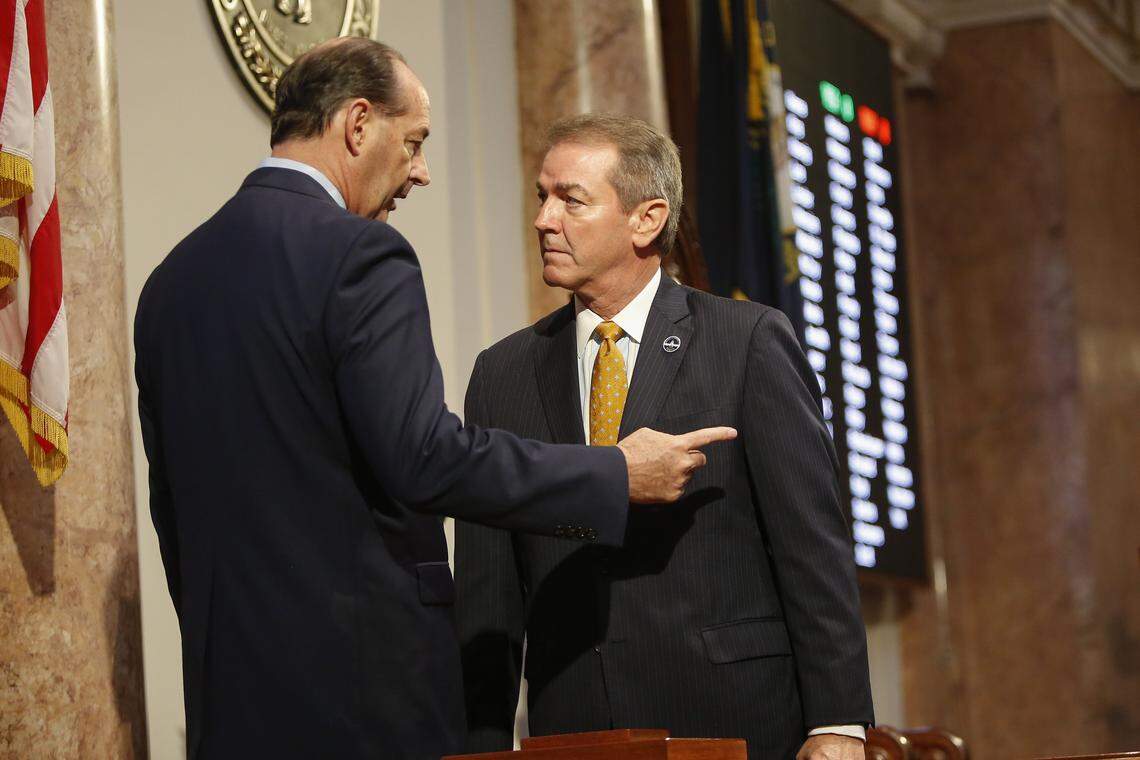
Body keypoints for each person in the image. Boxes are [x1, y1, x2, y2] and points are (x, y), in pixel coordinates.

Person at [133, 41, 732, 759]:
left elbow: (172, 506)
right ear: (358, 125)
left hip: (229, 698)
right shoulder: (360, 255)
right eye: (413, 142)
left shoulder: (171, 282)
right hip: (365, 698)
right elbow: (425, 458)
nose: (419, 172)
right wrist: (613, 474)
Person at [455, 114, 874, 760]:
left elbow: (811, 548)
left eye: (571, 200)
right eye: (542, 197)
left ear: (646, 220)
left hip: (731, 722)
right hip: (575, 730)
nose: (543, 219)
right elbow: (489, 594)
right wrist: (480, 749)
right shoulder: (501, 375)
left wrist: (839, 722)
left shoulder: (748, 344)